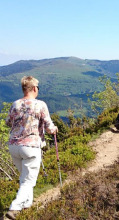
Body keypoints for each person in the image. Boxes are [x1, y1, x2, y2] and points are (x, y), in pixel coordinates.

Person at [5, 76, 58, 220]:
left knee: (24, 178)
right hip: (31, 146)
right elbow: (48, 127)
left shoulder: (15, 104)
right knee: (29, 181)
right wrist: (54, 129)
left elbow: (8, 122)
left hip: (14, 146)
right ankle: (14, 208)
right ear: (34, 88)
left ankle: (27, 206)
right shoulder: (40, 105)